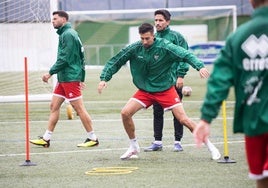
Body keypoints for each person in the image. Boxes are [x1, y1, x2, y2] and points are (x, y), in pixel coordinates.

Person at [98, 23, 221, 160]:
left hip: (165, 90)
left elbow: (185, 54)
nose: (144, 42)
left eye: (147, 38)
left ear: (153, 36)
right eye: (142, 38)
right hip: (145, 91)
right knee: (125, 113)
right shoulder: (135, 48)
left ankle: (211, 147)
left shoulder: (165, 46)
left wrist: (200, 67)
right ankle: (133, 147)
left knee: (183, 119)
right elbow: (116, 61)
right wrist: (104, 79)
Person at [193, 0, 268, 187]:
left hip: (254, 120)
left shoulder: (238, 37)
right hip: (256, 120)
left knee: (261, 179)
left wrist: (206, 118)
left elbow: (219, 80)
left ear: (251, 2)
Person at [30, 10, 99, 148]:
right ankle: (46, 138)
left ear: (64, 19)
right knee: (54, 106)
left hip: (69, 78)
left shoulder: (67, 34)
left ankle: (93, 138)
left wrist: (50, 73)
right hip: (64, 78)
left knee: (79, 109)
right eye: (52, 18)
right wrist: (82, 77)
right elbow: (80, 57)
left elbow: (65, 59)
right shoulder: (68, 33)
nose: (52, 21)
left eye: (55, 18)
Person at [144, 9, 189, 152]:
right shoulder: (153, 38)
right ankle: (157, 142)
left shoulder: (177, 37)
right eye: (155, 20)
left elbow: (185, 56)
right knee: (157, 111)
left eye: (160, 20)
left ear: (168, 22)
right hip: (158, 83)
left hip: (174, 81)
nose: (157, 23)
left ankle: (178, 142)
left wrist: (181, 75)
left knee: (177, 112)